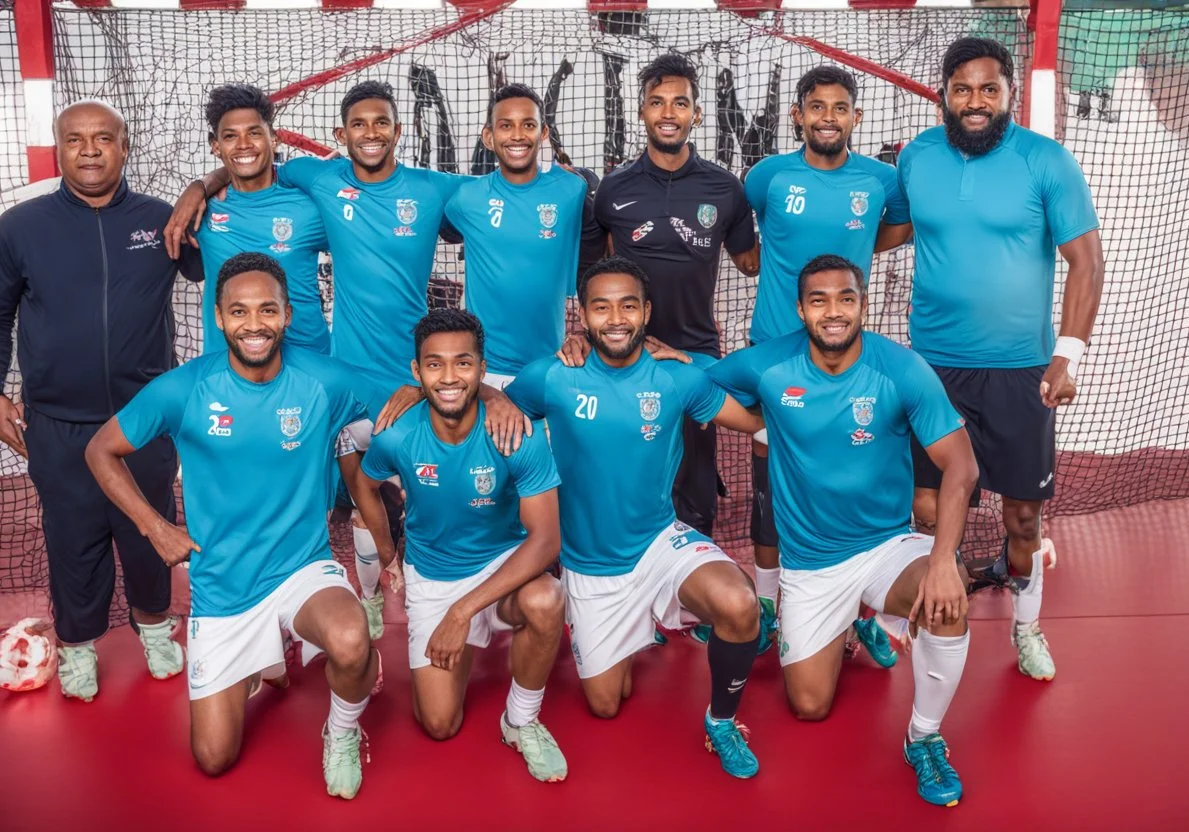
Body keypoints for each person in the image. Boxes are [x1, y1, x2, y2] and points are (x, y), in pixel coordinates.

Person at [164, 81, 522, 639]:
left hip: (395, 369)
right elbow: (236, 170)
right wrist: (198, 187)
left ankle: (457, 586)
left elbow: (501, 195)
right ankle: (322, 603)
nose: (370, 134)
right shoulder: (302, 186)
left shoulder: (387, 193)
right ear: (340, 135)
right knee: (336, 492)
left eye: (254, 133)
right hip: (314, 374)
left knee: (423, 482)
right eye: (358, 124)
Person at [85, 253, 389, 799]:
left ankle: (341, 731)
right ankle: (263, 660)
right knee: (214, 759)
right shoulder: (183, 390)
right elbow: (100, 450)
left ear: (289, 316)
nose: (255, 324)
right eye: (239, 311)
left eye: (267, 309)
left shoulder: (322, 379)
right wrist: (155, 527)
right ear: (219, 318)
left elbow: (406, 401)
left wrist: (483, 393)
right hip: (224, 590)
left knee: (351, 640)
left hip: (302, 569)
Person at [710, 255, 979, 806]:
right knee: (809, 706)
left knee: (946, 603)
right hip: (809, 563)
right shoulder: (769, 364)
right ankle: (858, 617)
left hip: (886, 545)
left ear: (862, 303)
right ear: (801, 309)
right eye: (819, 300)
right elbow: (697, 380)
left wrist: (946, 561)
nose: (834, 312)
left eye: (846, 298)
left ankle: (923, 738)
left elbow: (962, 466)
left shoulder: (901, 368)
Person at [507, 256, 765, 780]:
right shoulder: (552, 375)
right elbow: (491, 408)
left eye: (629, 305)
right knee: (606, 703)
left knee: (739, 606)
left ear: (647, 311)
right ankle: (643, 626)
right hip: (590, 563)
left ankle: (721, 721)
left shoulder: (674, 377)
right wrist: (481, 398)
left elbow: (756, 420)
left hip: (658, 543)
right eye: (601, 307)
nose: (617, 318)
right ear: (582, 315)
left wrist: (696, 360)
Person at [899, 37, 1104, 681]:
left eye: (990, 89)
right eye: (963, 89)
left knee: (1021, 515)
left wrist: (1066, 354)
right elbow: (891, 231)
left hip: (1020, 369)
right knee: (931, 512)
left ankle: (1027, 627)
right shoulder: (916, 156)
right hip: (933, 367)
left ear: (1010, 92)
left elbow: (1086, 262)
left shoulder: (1046, 161)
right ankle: (939, 621)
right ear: (943, 94)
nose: (977, 102)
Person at [0, 100, 203, 701]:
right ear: (59, 148)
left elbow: (214, 264)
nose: (89, 150)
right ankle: (78, 646)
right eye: (75, 140)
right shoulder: (19, 225)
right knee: (72, 536)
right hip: (57, 422)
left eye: (103, 139)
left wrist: (202, 188)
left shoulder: (161, 219)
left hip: (142, 419)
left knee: (146, 534)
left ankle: (156, 628)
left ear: (125, 146)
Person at [722, 64, 912, 660]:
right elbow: (745, 235)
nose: (828, 117)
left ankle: (856, 607)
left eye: (840, 107)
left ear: (855, 116)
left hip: (843, 357)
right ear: (799, 115)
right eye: (817, 107)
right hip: (773, 355)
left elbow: (894, 232)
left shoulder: (882, 181)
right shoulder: (768, 176)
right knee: (769, 484)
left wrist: (849, 254)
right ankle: (770, 605)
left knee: (844, 478)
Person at [357, 308, 568, 782]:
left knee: (547, 599)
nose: (450, 376)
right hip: (434, 576)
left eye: (463, 363)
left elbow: (547, 540)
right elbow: (365, 485)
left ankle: (521, 720)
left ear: (481, 367)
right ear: (416, 371)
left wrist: (462, 613)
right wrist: (390, 555)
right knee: (438, 724)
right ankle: (467, 638)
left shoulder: (515, 433)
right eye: (434, 364)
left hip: (503, 563)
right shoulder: (396, 434)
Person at [580, 53, 759, 540]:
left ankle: (690, 600)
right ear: (641, 111)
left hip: (696, 355)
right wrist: (588, 332)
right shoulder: (614, 189)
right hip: (623, 357)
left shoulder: (725, 188)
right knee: (626, 472)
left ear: (696, 113)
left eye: (680, 103)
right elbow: (592, 273)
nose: (668, 113)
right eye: (656, 102)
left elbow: (753, 261)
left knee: (694, 486)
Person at [443, 83, 603, 390]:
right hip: (482, 369)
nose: (517, 135)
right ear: (488, 137)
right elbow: (440, 225)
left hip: (550, 365)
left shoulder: (573, 189)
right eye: (506, 126)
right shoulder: (467, 197)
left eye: (527, 125)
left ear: (542, 133)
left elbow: (603, 249)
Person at [195, 84, 330, 355]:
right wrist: (199, 187)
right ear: (215, 146)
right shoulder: (200, 211)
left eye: (254, 133)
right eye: (231, 136)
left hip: (307, 363)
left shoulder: (310, 206)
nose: (244, 144)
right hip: (228, 369)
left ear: (274, 138)